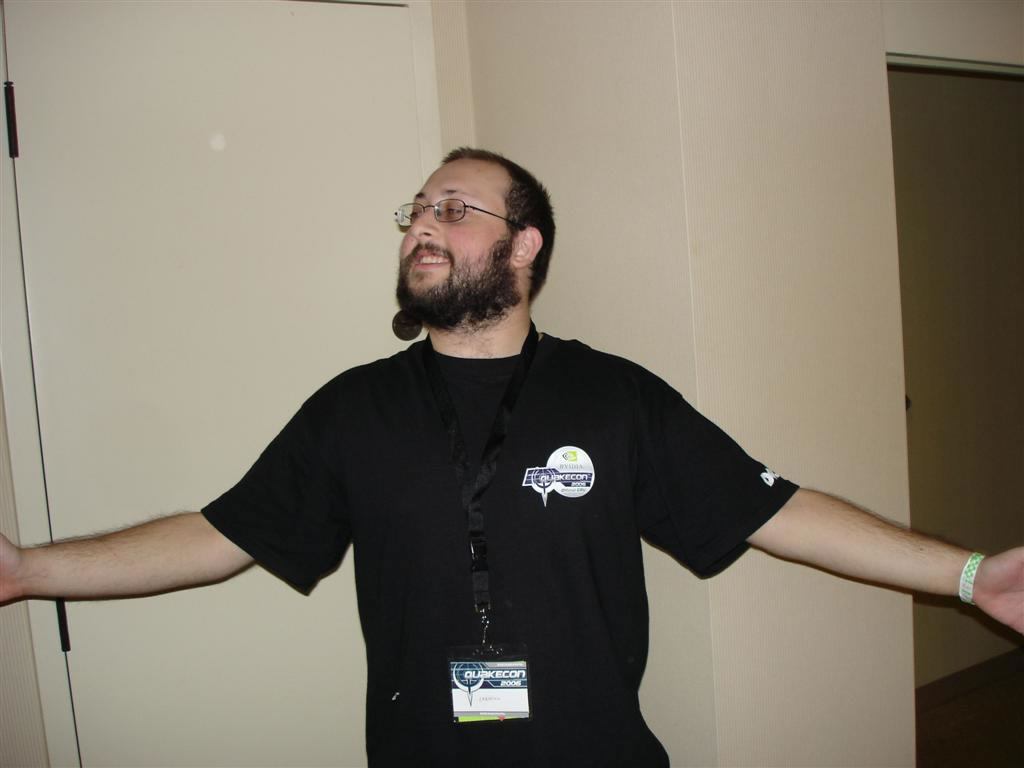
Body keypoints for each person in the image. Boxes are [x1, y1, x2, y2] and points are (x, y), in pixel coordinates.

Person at [1, 148, 1021, 767]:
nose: (421, 227)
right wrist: (28, 571)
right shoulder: (354, 409)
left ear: (525, 246)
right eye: (416, 212)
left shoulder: (614, 396)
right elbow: (221, 534)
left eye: (452, 208)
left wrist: (970, 575)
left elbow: (772, 508)